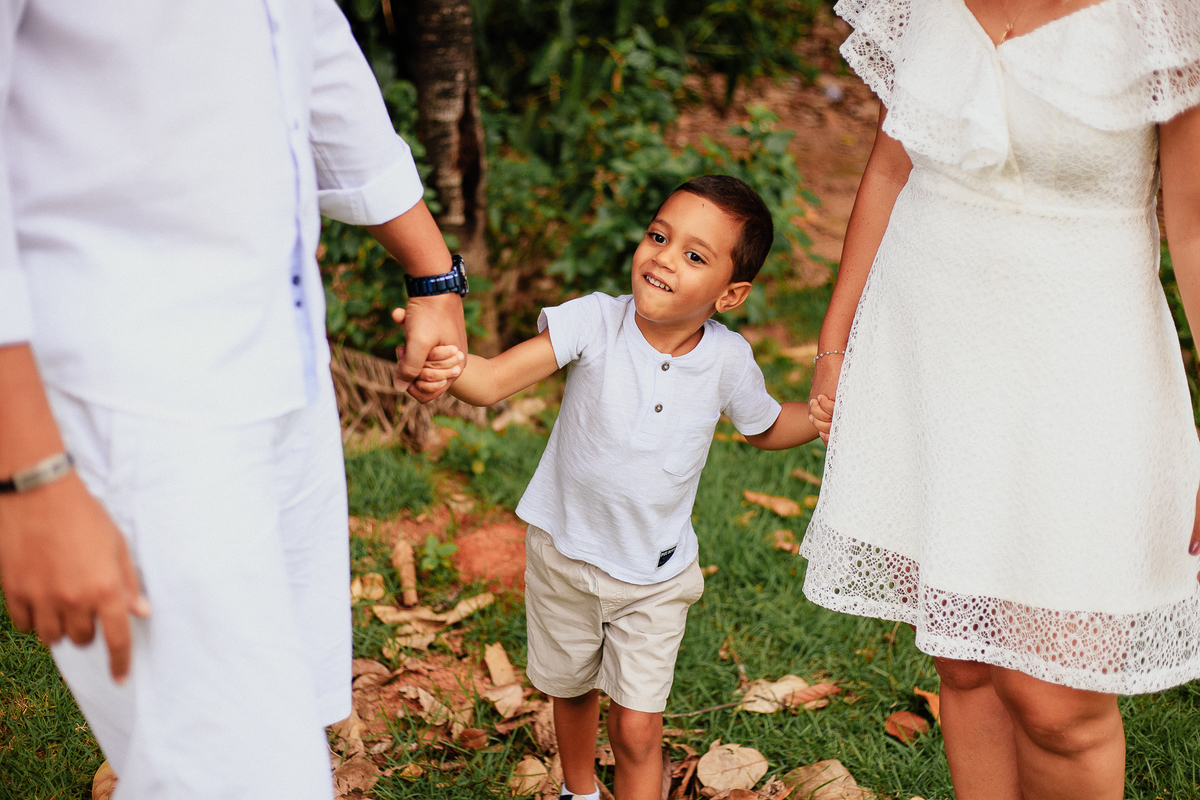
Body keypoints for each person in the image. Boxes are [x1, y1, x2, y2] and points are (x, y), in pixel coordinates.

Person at [0, 2, 465, 797]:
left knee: (267, 722)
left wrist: (432, 270)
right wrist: (30, 474)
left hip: (280, 359)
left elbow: (311, 41)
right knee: (246, 774)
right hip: (128, 394)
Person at [800, 1, 1200, 799]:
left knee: (1058, 703)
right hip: (930, 353)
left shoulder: (1165, 17)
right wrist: (835, 341)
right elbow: (890, 166)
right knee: (965, 661)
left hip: (1082, 375)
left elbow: (1192, 228)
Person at [409, 175, 823, 800]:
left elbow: (764, 427)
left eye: (694, 255)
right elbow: (490, 382)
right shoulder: (595, 320)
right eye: (658, 236)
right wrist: (448, 366)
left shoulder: (728, 360)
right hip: (564, 555)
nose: (664, 257)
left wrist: (819, 418)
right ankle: (580, 791)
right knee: (571, 690)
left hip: (655, 577)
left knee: (636, 729)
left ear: (731, 294)